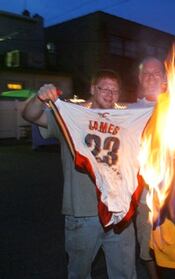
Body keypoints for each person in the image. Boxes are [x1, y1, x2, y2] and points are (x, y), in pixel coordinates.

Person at [22, 70, 137, 279]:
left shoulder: (125, 121)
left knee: (125, 274)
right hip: (82, 213)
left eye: (115, 90)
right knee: (79, 274)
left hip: (119, 211)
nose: (110, 94)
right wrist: (40, 97)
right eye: (105, 88)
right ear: (93, 89)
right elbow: (30, 115)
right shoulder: (71, 116)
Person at [129, 57, 166, 279]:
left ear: (165, 78)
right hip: (145, 197)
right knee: (147, 246)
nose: (151, 78)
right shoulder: (128, 111)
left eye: (156, 73)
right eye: (146, 74)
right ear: (139, 78)